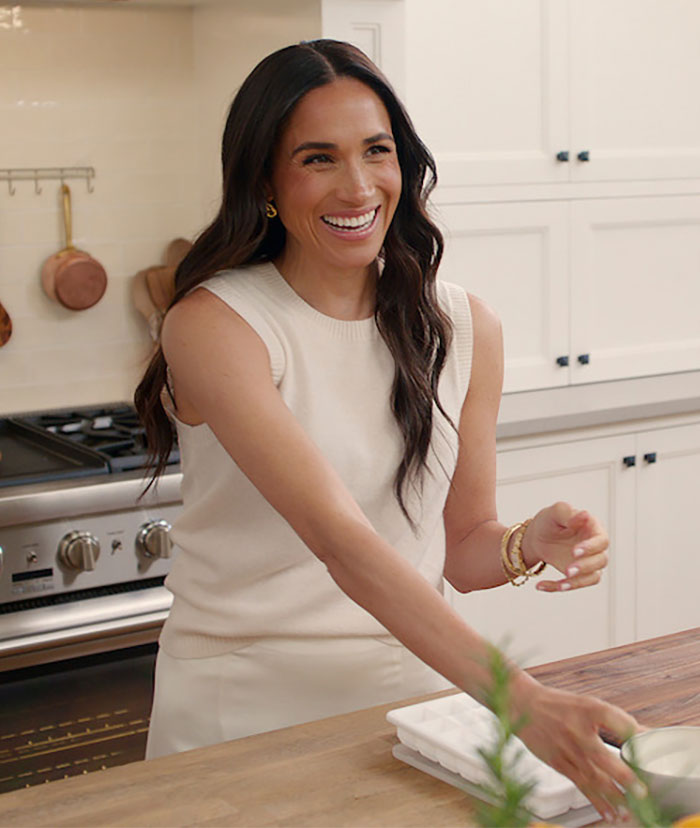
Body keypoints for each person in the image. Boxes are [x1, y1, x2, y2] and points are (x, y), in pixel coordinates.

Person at [134, 39, 641, 821]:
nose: (359, 184)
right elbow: (344, 546)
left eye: (377, 151)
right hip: (241, 712)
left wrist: (526, 543)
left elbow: (460, 548)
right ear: (266, 180)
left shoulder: (464, 324)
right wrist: (524, 702)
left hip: (415, 709)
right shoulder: (216, 326)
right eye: (318, 158)